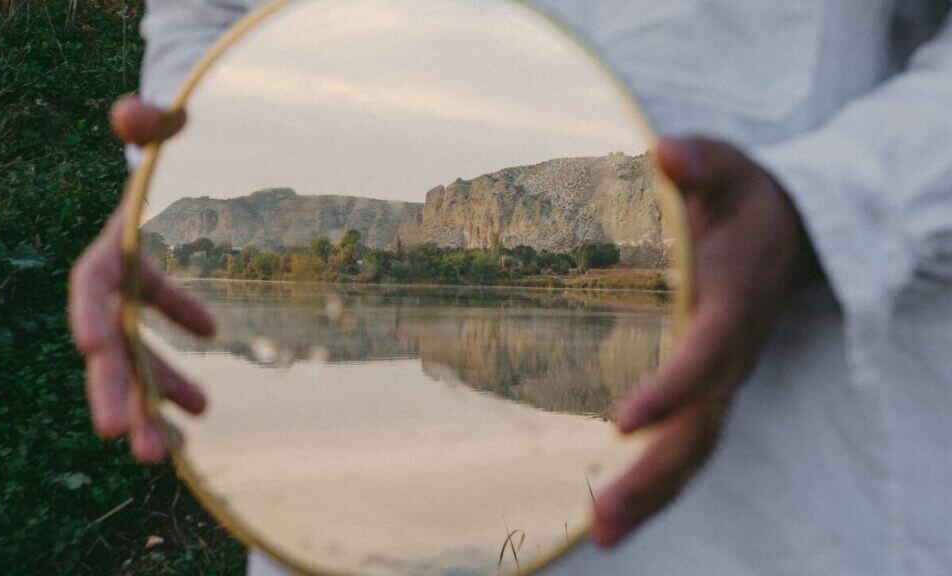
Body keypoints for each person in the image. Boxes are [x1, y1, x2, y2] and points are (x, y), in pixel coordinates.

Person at [69, 1, 952, 574]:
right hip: (345, 524)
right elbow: (206, 17)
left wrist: (827, 201)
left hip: (792, 475)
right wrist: (176, 178)